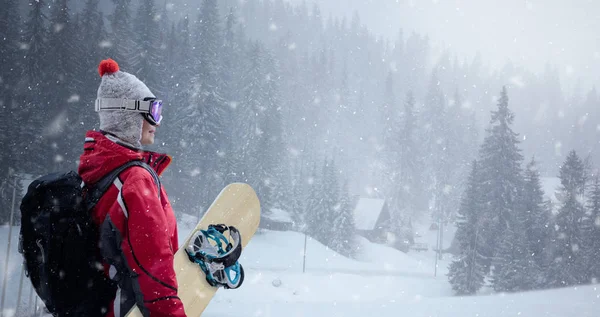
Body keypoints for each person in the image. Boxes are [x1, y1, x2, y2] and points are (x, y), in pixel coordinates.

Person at [78, 58, 186, 317]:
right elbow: (153, 270)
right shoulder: (135, 180)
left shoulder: (96, 168)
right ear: (129, 115)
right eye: (153, 111)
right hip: (129, 307)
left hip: (102, 306)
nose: (157, 122)